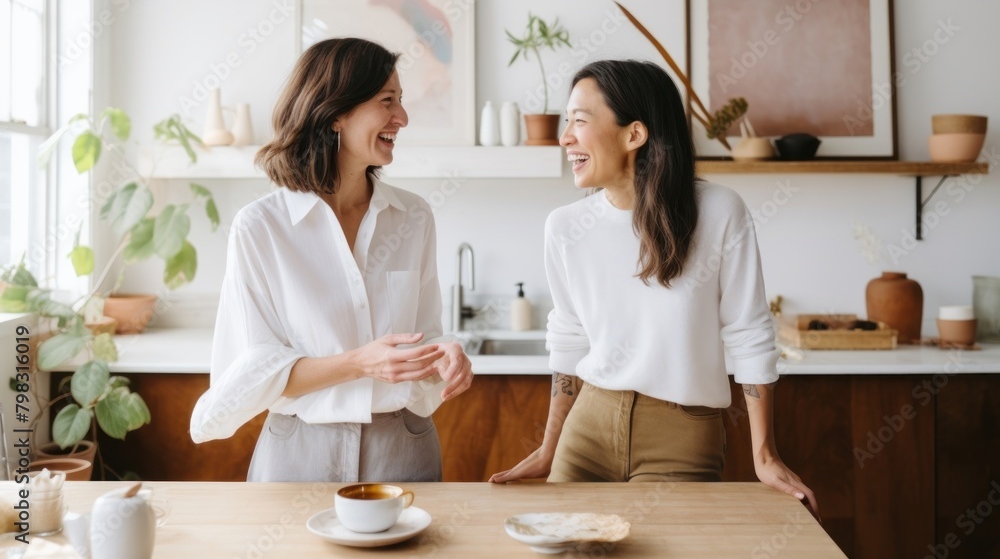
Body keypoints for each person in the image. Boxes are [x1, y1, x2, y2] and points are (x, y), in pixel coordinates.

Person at [489, 60, 819, 518]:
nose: (565, 137)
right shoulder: (565, 227)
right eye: (566, 122)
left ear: (633, 134)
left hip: (681, 434)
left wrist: (764, 453)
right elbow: (568, 337)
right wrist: (551, 445)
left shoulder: (721, 212)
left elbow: (748, 332)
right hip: (588, 426)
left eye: (579, 121)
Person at [190, 37, 473, 482]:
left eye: (400, 101)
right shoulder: (261, 228)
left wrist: (446, 352)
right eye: (387, 101)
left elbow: (425, 334)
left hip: (402, 447)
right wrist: (361, 363)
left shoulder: (414, 216)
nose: (402, 117)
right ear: (336, 112)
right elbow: (256, 372)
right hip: (299, 451)